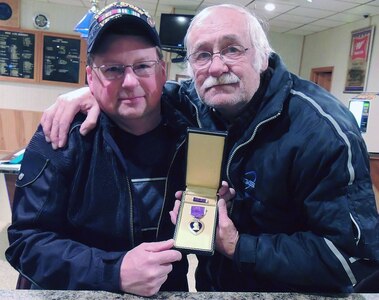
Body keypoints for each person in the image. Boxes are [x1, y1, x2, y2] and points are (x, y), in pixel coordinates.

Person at [40, 4, 379, 294]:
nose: (216, 67)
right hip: (214, 289)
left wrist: (236, 245)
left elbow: (352, 260)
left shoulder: (321, 130)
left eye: (232, 49)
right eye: (202, 54)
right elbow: (151, 91)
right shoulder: (198, 104)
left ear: (262, 57)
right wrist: (96, 93)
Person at [5, 2, 236, 296]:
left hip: (166, 290)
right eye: (112, 69)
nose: (129, 82)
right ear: (91, 77)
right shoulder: (62, 134)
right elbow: (26, 242)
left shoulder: (197, 127)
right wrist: (113, 271)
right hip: (82, 291)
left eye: (142, 66)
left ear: (162, 71)